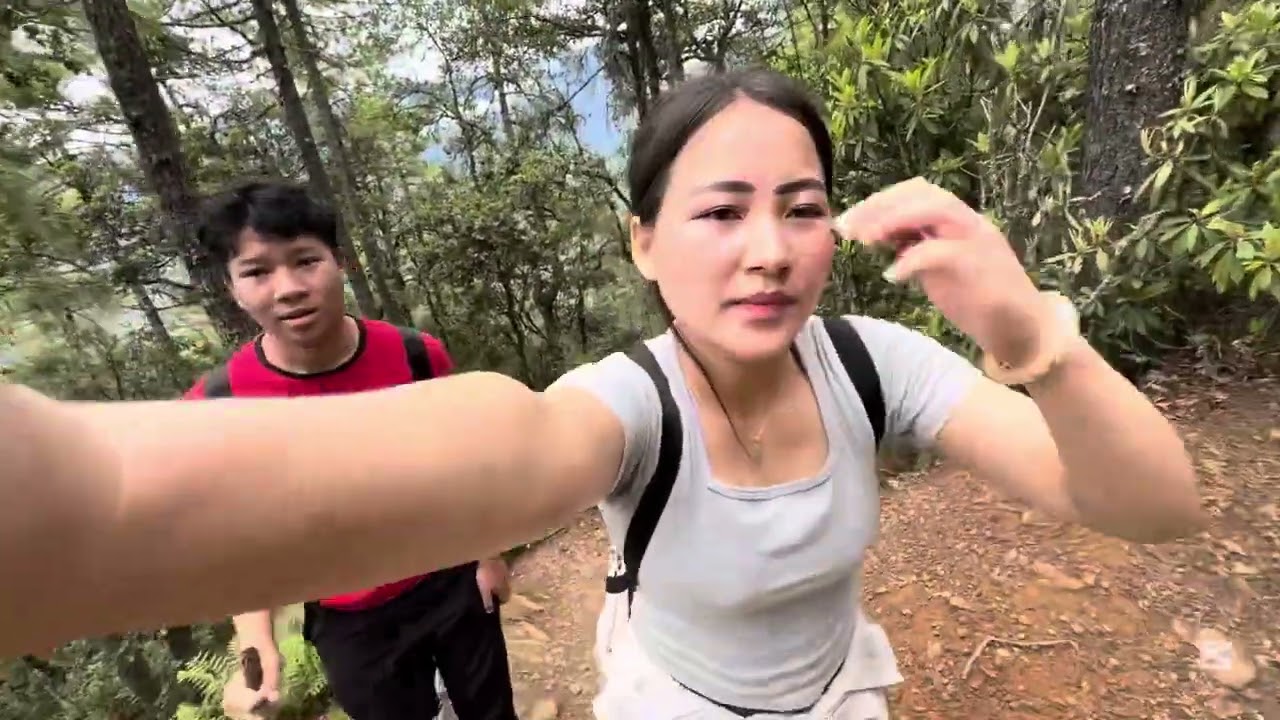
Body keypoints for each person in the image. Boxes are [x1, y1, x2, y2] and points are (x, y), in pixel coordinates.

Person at [0, 69, 1205, 718]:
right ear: (642, 243)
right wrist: (74, 502)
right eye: (720, 211)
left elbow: (1151, 507)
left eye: (800, 207)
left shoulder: (867, 362)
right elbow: (510, 449)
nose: (769, 249)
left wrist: (1027, 335)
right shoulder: (621, 405)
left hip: (841, 696)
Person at [183, 181, 519, 720]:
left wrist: (488, 554)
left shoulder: (414, 356)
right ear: (232, 289)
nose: (288, 288)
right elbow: (235, 536)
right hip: (348, 618)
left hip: (449, 582)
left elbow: (463, 464)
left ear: (341, 262)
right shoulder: (219, 403)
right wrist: (256, 646)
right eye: (257, 271)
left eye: (305, 261)